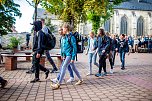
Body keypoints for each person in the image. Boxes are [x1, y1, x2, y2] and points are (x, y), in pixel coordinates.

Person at [50, 23, 83, 90]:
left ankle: (58, 84)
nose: (62, 29)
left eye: (63, 28)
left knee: (64, 66)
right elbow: (63, 47)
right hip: (66, 55)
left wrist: (73, 57)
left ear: (66, 28)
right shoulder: (65, 37)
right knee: (73, 67)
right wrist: (62, 55)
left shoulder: (71, 37)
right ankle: (81, 79)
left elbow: (74, 48)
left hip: (70, 55)